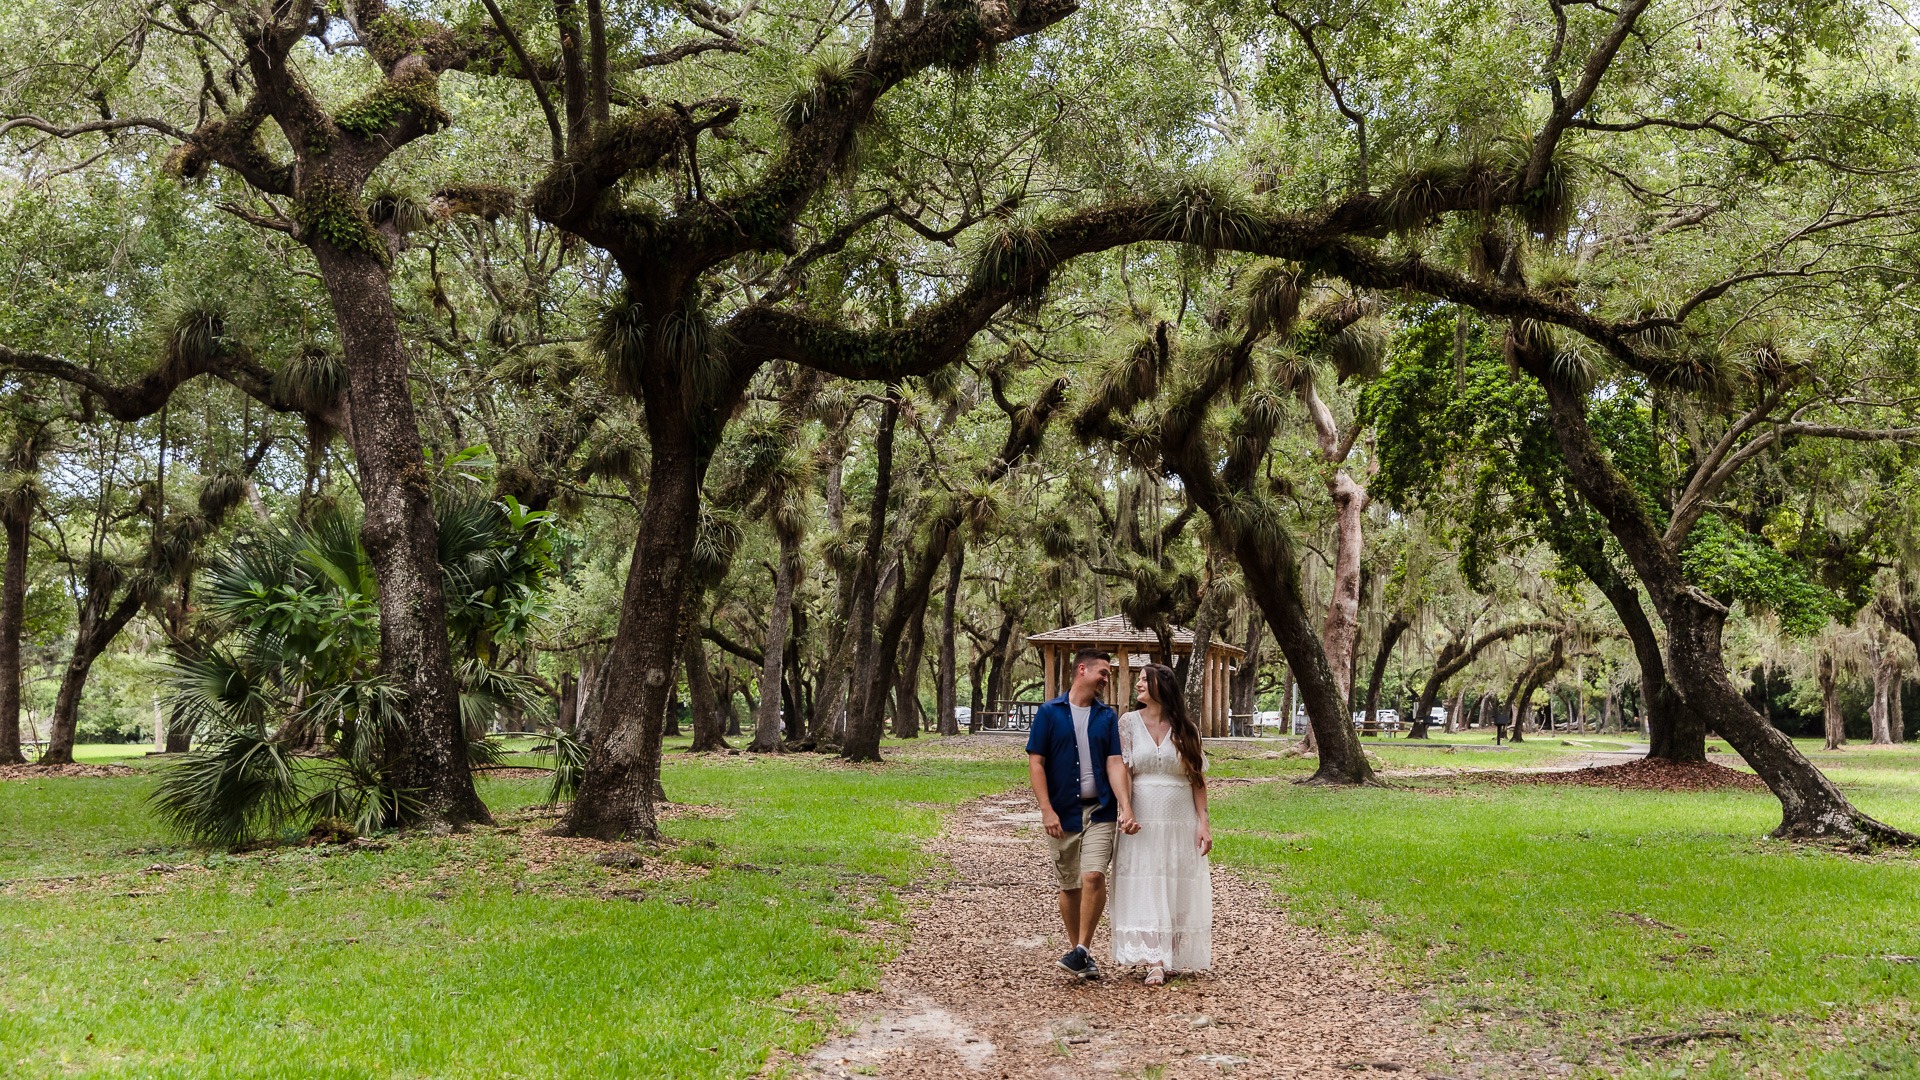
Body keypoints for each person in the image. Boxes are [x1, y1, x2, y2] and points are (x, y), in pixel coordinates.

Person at [1026, 647, 1137, 980]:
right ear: (1082, 670)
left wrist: (1125, 806)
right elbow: (1036, 763)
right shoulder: (1049, 713)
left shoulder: (1106, 717)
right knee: (1070, 885)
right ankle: (1080, 953)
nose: (1106, 679)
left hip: (1100, 809)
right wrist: (1046, 810)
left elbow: (1114, 763)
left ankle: (1083, 949)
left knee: (1093, 876)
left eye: (1108, 674)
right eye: (1103, 672)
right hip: (1062, 811)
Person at [1108, 663, 1213, 985]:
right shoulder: (1127, 723)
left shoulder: (1186, 728)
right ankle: (1154, 958)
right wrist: (1125, 810)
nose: (1137, 685)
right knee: (1146, 881)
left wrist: (1203, 823)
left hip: (1180, 817)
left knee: (1177, 880)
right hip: (1143, 813)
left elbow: (1197, 780)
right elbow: (1123, 769)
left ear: (1161, 686)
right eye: (1138, 680)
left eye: (1143, 680)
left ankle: (1172, 954)